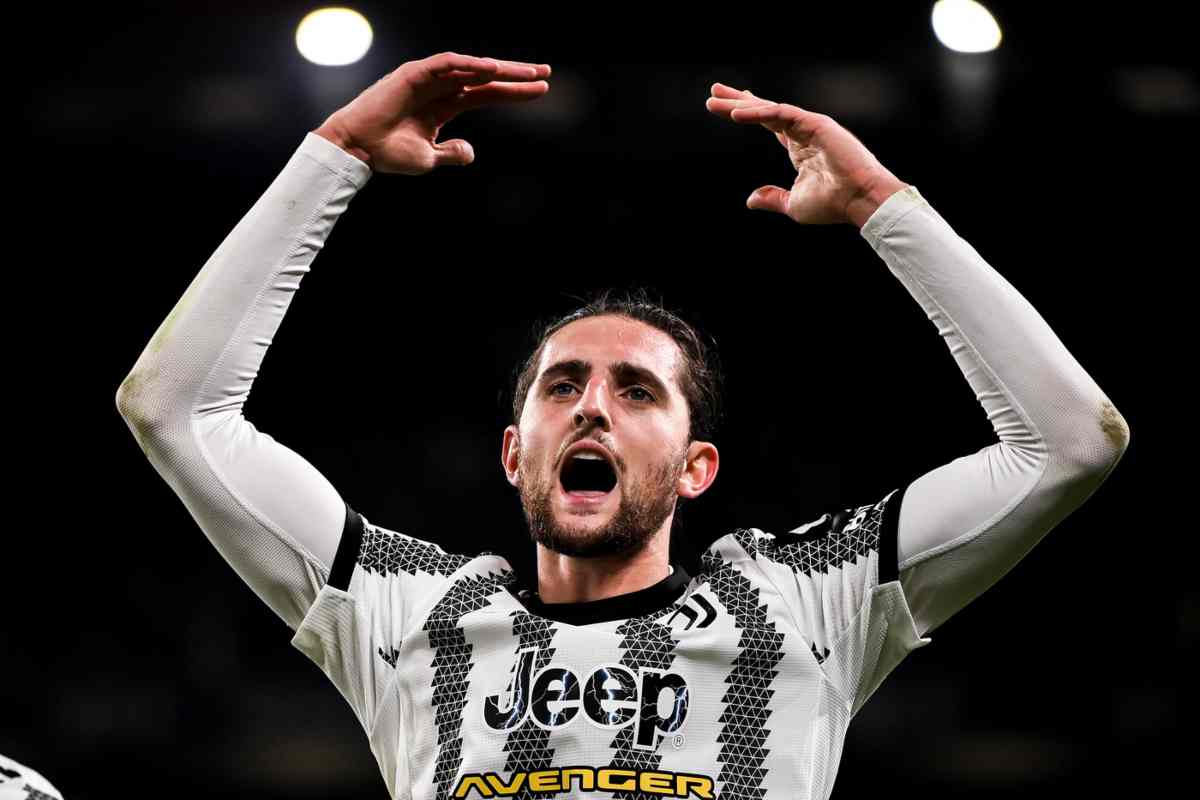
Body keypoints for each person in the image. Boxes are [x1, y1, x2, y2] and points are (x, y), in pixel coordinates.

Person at [115, 52, 1129, 799]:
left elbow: (1072, 442)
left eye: (637, 391)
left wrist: (881, 204)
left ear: (696, 467)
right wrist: (332, 156)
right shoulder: (405, 612)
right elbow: (172, 410)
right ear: (514, 452)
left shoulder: (806, 600)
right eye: (562, 386)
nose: (593, 404)